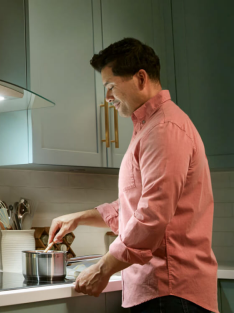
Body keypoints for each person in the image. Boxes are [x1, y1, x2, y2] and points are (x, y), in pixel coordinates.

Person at [48, 38, 217, 313]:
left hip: (171, 293)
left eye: (111, 87)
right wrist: (79, 218)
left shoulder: (164, 129)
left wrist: (102, 269)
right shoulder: (148, 129)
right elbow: (137, 206)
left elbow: (151, 216)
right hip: (162, 294)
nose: (107, 98)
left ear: (141, 78)